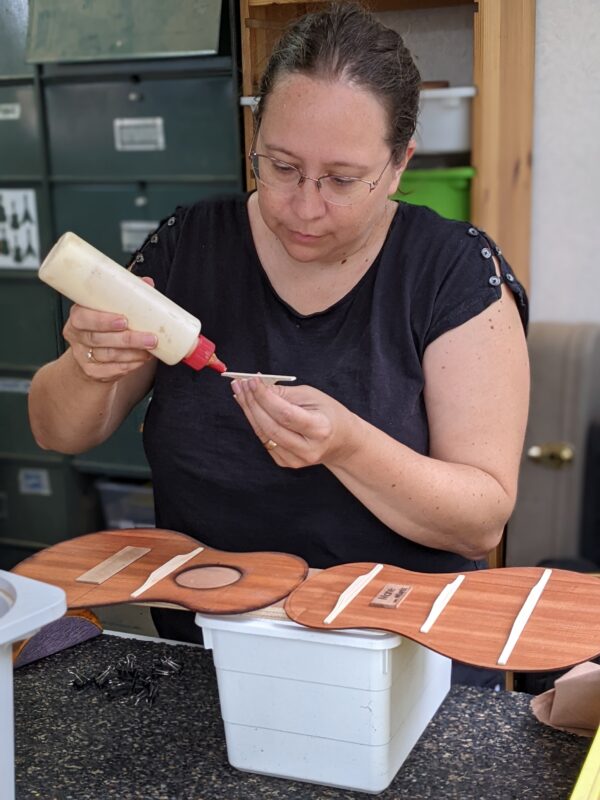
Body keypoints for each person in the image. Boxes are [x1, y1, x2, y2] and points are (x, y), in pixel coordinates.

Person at [28, 2, 529, 684]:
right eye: (282, 166)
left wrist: (349, 446)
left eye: (343, 180)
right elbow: (58, 432)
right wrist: (88, 367)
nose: (305, 205)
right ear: (255, 135)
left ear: (401, 162)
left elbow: (481, 522)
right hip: (207, 658)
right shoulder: (189, 247)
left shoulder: (451, 273)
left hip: (400, 664)